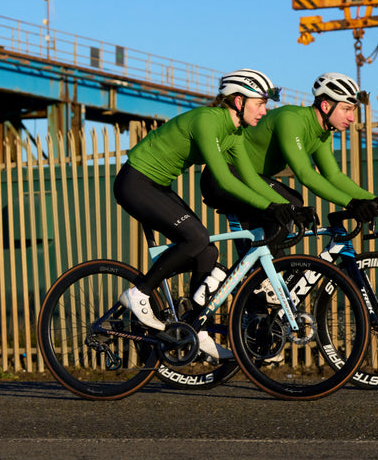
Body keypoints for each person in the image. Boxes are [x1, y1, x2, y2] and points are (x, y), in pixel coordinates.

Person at [113, 68, 295, 361]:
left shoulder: (234, 132)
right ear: (238, 101)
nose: (265, 110)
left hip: (156, 186)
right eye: (260, 102)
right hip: (135, 182)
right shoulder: (207, 121)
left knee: (207, 252)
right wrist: (269, 207)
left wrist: (285, 207)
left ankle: (199, 330)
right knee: (197, 237)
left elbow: (248, 176)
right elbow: (224, 178)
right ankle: (140, 293)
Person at [201, 71, 378, 228]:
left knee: (286, 215)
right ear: (325, 106)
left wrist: (375, 200)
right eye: (346, 109)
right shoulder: (291, 119)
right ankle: (263, 279)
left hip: (250, 181)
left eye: (353, 111)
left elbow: (333, 176)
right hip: (223, 178)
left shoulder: (323, 133)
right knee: (292, 203)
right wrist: (352, 204)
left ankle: (259, 278)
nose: (351, 117)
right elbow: (305, 174)